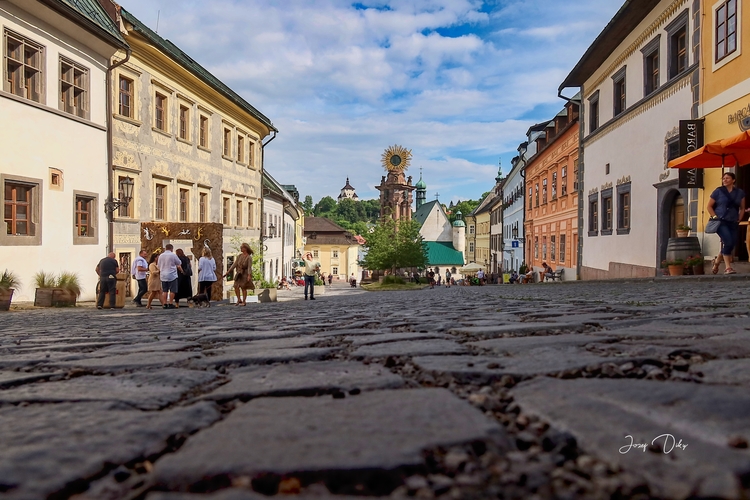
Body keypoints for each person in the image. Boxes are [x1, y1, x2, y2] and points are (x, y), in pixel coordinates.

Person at [708, 172, 747, 275]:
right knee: (728, 242)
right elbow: (709, 206)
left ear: (733, 180)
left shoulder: (740, 193)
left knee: (731, 244)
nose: (724, 180)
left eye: (727, 178)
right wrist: (715, 217)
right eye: (723, 178)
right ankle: (728, 268)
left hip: (733, 221)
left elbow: (742, 208)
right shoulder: (718, 191)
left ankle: (716, 262)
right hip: (720, 221)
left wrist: (739, 218)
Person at [157, 244, 183, 309]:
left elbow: (158, 265)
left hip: (163, 275)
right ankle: (170, 303)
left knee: (165, 290)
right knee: (172, 290)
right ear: (171, 249)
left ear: (165, 248)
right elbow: (179, 262)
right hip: (172, 275)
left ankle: (165, 303)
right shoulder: (173, 255)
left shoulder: (161, 255)